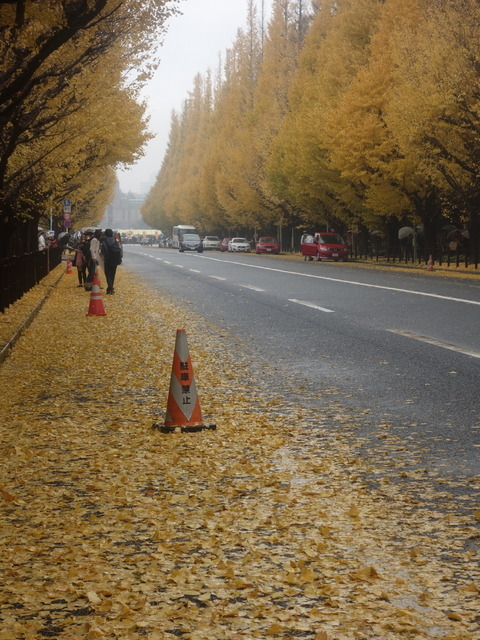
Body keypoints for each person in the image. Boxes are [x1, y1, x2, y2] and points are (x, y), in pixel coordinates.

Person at [100, 228, 122, 294]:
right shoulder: (116, 240)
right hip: (115, 259)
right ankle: (111, 288)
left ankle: (110, 288)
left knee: (108, 274)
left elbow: (102, 251)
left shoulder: (104, 241)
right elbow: (119, 248)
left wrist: (104, 256)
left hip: (107, 259)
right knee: (113, 274)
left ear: (105, 234)